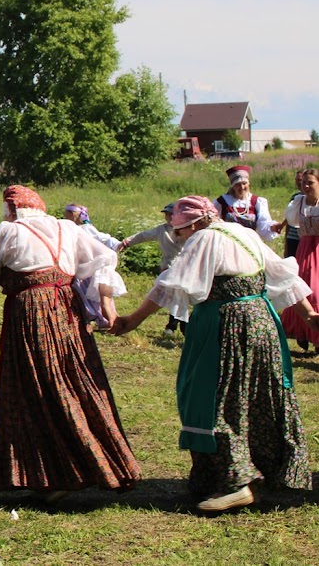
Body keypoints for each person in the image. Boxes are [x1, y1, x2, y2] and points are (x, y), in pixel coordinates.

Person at [112, 195, 317, 513]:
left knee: (214, 397)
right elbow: (282, 276)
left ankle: (235, 483)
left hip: (225, 322)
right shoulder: (244, 232)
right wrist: (309, 316)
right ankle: (238, 475)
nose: (179, 236)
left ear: (192, 223)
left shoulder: (202, 238)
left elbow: (170, 285)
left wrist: (132, 320)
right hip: (262, 320)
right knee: (256, 396)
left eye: (179, 230)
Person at [0, 185, 138, 500]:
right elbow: (105, 258)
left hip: (31, 312)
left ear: (12, 208)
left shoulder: (8, 232)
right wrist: (106, 304)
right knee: (75, 380)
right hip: (67, 310)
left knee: (38, 386)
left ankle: (60, 473)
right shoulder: (66, 228)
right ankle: (97, 463)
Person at [118, 202, 186, 333]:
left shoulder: (186, 229)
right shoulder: (162, 230)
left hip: (184, 267)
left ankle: (177, 325)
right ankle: (174, 325)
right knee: (172, 296)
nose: (168, 217)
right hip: (168, 266)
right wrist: (127, 242)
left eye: (171, 214)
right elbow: (144, 235)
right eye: (166, 214)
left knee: (180, 296)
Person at [62, 204, 127, 330]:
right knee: (84, 293)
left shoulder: (86, 228)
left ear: (72, 214)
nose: (64, 215)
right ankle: (91, 316)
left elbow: (103, 237)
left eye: (66, 213)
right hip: (79, 265)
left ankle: (103, 318)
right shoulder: (69, 228)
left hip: (89, 266)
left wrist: (118, 244)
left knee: (95, 295)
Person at [279, 169, 319, 350]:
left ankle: (316, 335)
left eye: (310, 182)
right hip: (304, 249)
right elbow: (292, 221)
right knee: (301, 291)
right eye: (304, 182)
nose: (306, 186)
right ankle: (302, 331)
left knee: (316, 293)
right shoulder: (298, 202)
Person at [215, 165, 278, 241]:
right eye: (238, 184)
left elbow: (263, 222)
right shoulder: (222, 201)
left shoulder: (257, 201)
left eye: (244, 183)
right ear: (232, 186)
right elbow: (214, 222)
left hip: (250, 242)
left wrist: (272, 227)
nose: (242, 187)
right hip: (229, 242)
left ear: (248, 184)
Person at [283, 170, 305, 259]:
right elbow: (289, 219)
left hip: (305, 239)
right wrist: (286, 242)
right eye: (296, 180)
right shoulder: (295, 197)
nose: (297, 182)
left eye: (300, 179)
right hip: (292, 237)